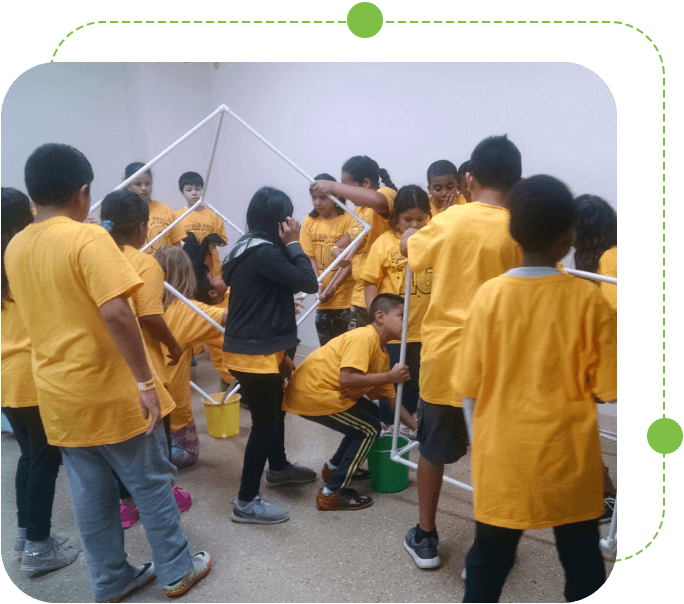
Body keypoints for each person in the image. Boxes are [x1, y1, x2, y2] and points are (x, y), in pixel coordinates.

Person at [5, 144, 211, 601]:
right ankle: (177, 569)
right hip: (111, 391)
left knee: (90, 497)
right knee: (152, 484)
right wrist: (144, 382)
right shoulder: (87, 237)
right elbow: (118, 313)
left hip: (58, 396)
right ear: (83, 192)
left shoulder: (16, 245)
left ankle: (111, 579)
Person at [456, 175, 617, 603]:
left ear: (513, 231)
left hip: (502, 462)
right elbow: (609, 388)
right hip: (569, 461)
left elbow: (468, 388)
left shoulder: (488, 297)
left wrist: (479, 445)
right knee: (582, 563)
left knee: (488, 562)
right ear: (570, 235)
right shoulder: (588, 300)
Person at [400, 135, 525, 570]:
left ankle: (427, 537)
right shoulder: (522, 227)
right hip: (501, 366)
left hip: (447, 361)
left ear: (469, 178)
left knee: (432, 450)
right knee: (495, 459)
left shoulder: (450, 220)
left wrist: (413, 235)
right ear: (518, 180)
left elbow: (409, 252)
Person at [222, 186, 318, 525]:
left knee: (273, 415)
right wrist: (294, 243)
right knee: (264, 424)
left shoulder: (242, 248)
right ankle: (245, 502)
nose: (294, 222)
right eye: (289, 217)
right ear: (280, 222)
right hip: (255, 354)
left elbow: (267, 291)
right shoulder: (266, 253)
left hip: (252, 349)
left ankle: (278, 469)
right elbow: (309, 282)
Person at [100, 189, 192, 529]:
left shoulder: (93, 256)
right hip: (143, 367)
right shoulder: (144, 262)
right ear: (143, 228)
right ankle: (165, 497)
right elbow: (152, 316)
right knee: (157, 436)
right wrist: (174, 345)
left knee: (120, 441)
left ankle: (125, 505)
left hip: (105, 364)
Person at [1, 186, 77, 573]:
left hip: (6, 379)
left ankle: (25, 532)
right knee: (45, 459)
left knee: (29, 456)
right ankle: (38, 547)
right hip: (32, 374)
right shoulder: (23, 260)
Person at [282, 293, 416, 510]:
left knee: (372, 415)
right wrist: (390, 376)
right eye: (402, 315)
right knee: (370, 429)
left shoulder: (381, 354)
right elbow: (347, 378)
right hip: (313, 394)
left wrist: (417, 428)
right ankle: (332, 492)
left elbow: (391, 399)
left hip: (318, 392)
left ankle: (334, 468)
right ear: (380, 317)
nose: (407, 322)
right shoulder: (364, 337)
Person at [359, 185, 432, 438]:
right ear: (395, 218)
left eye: (420, 219)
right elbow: (370, 281)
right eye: (407, 219)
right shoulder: (384, 243)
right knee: (391, 381)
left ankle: (413, 424)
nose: (414, 224)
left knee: (416, 379)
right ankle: (389, 426)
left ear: (429, 217)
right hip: (393, 332)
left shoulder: (433, 241)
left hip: (426, 330)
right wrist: (374, 317)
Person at [154, 243, 228, 469]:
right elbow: (230, 317)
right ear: (186, 275)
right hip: (173, 415)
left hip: (139, 406)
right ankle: (153, 460)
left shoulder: (139, 303)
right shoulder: (185, 309)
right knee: (189, 453)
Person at [311, 155, 398, 330]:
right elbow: (346, 242)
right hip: (359, 295)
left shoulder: (386, 193)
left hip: (382, 295)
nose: (344, 193)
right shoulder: (359, 208)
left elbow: (378, 201)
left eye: (346, 187)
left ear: (366, 183)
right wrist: (336, 251)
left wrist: (334, 186)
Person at [573, 193, 618, 519]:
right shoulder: (600, 258)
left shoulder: (611, 258)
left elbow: (612, 310)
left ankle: (604, 493)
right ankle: (602, 489)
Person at [300, 173, 355, 346]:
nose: (317, 202)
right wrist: (319, 285)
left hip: (346, 299)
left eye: (323, 198)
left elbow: (351, 261)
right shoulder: (309, 221)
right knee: (326, 350)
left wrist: (334, 286)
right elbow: (310, 257)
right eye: (314, 198)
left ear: (336, 196)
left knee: (345, 350)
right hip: (322, 299)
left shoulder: (349, 220)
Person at [170, 171, 228, 278]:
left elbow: (223, 241)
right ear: (182, 192)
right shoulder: (177, 216)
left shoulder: (213, 216)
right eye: (189, 190)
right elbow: (174, 245)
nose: (194, 193)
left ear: (203, 190)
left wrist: (212, 241)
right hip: (188, 270)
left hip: (212, 271)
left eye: (198, 189)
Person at [123, 162, 180, 255]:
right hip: (136, 268)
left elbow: (177, 247)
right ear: (128, 186)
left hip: (164, 268)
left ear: (151, 183)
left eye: (147, 183)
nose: (144, 188)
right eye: (138, 184)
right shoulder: (121, 212)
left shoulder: (166, 210)